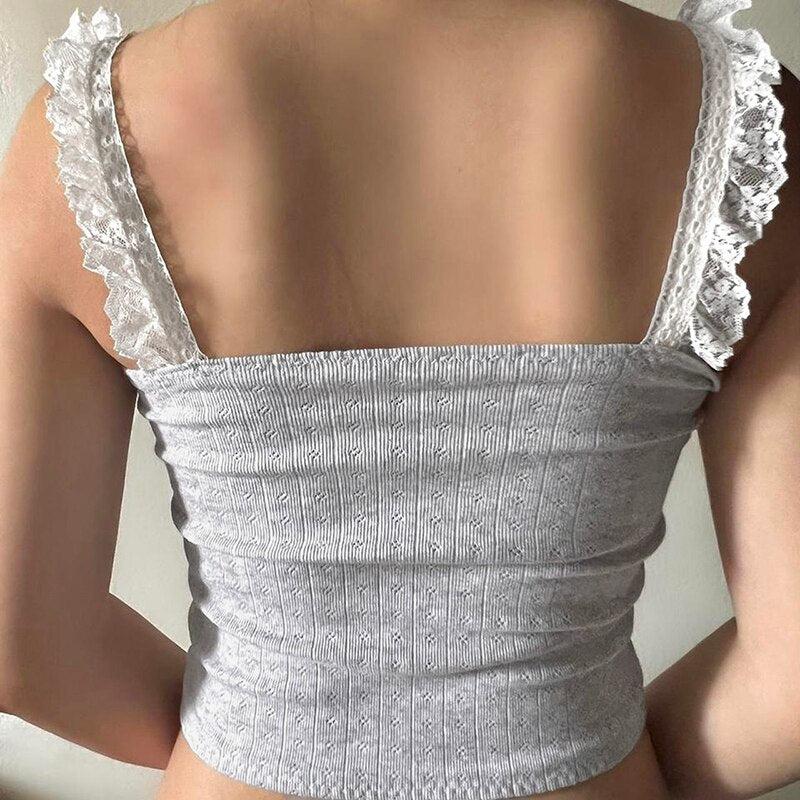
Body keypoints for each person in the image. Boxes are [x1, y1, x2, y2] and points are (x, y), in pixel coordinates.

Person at [0, 0, 797, 798]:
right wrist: (598, 750)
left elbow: (18, 648)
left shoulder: (90, 130)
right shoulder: (743, 119)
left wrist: (249, 736)